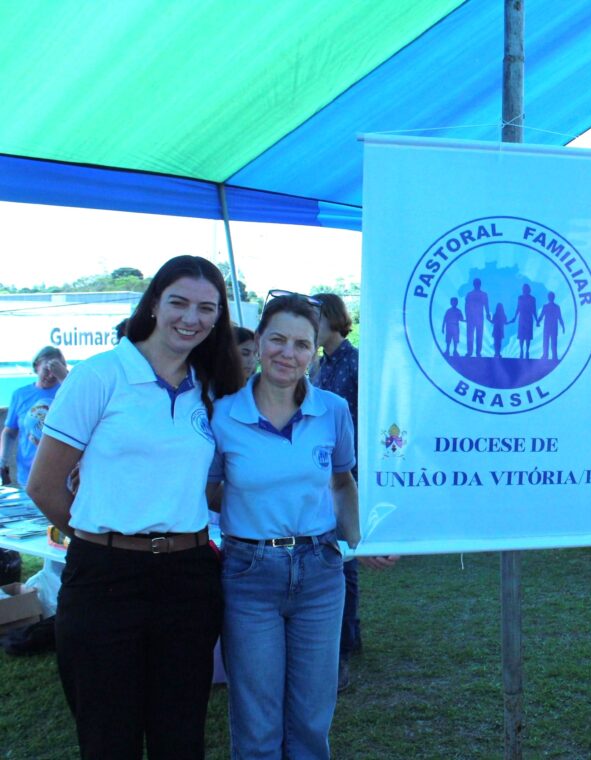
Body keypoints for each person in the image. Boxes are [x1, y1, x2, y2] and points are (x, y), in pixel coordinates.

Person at [26, 255, 244, 759]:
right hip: (104, 579)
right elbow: (44, 485)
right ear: (153, 305)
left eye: (206, 308)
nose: (191, 318)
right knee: (108, 738)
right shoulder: (101, 375)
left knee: (181, 737)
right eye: (179, 303)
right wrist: (101, 540)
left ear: (218, 317)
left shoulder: (211, 388)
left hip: (188, 577)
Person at [208, 292, 361, 759]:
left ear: (314, 350)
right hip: (249, 573)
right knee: (257, 719)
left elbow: (342, 483)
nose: (287, 353)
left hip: (320, 571)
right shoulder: (223, 414)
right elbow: (209, 491)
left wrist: (361, 542)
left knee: (312, 715)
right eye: (277, 339)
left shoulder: (333, 410)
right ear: (258, 341)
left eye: (301, 344)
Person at [311, 292, 365, 691]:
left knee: (345, 557)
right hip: (322, 471)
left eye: (314, 318)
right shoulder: (319, 365)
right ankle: (348, 638)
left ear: (331, 318)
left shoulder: (356, 361)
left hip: (348, 472)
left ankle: (344, 646)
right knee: (339, 556)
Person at [1, 346, 68, 488]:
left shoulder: (67, 392)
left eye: (55, 370)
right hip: (28, 474)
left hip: (61, 472)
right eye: (47, 369)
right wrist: (3, 459)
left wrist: (65, 378)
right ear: (37, 366)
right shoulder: (20, 395)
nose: (51, 375)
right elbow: (10, 432)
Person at [464, 279, 491, 357]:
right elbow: (466, 306)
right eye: (476, 283)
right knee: (470, 335)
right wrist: (467, 316)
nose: (477, 284)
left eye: (477, 283)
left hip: (479, 317)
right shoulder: (469, 294)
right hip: (471, 317)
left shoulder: (483, 294)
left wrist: (488, 314)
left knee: (479, 335)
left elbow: (486, 305)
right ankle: (470, 352)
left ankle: (477, 352)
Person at [511, 284, 537, 359]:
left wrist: (536, 320)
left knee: (528, 336)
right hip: (522, 318)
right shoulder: (520, 298)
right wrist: (515, 317)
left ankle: (527, 351)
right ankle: (522, 350)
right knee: (521, 336)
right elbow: (518, 308)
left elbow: (534, 310)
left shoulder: (532, 299)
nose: (524, 290)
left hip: (528, 318)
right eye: (524, 289)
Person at [537, 291, 565, 361]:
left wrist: (563, 326)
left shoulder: (553, 307)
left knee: (551, 342)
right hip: (550, 327)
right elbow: (542, 315)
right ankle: (547, 355)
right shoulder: (553, 307)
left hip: (551, 327)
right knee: (549, 342)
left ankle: (551, 356)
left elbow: (559, 317)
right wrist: (538, 321)